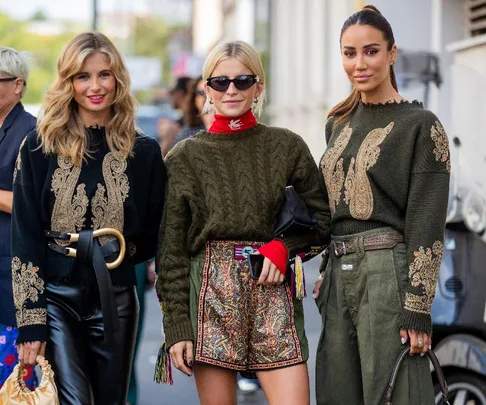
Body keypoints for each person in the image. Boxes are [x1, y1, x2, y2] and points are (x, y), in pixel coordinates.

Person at [155, 40, 330, 405]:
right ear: (207, 88)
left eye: (242, 80)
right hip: (209, 296)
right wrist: (177, 328)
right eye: (220, 82)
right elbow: (171, 254)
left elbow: (323, 220)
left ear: (258, 87)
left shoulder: (287, 145)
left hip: (273, 290)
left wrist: (285, 247)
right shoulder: (185, 157)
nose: (231, 89)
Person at [11, 32, 165, 405]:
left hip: (117, 298)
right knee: (76, 401)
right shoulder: (39, 146)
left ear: (118, 80)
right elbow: (26, 233)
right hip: (56, 296)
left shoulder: (144, 152)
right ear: (69, 82)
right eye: (83, 76)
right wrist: (31, 318)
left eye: (104, 75)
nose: (95, 86)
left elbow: (154, 229)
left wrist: (116, 252)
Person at [314, 5, 450, 405]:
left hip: (388, 273)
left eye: (371, 51)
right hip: (340, 273)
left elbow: (427, 218)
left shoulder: (421, 125)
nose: (359, 63)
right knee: (336, 393)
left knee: (395, 396)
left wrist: (417, 307)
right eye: (349, 53)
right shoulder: (337, 122)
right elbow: (333, 206)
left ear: (392, 54)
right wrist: (327, 268)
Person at [0, 47, 38, 390]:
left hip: (11, 273)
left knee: (14, 385)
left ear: (18, 85)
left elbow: (32, 206)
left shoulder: (31, 133)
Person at [174, 76, 214, 145]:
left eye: (211, 92)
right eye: (201, 93)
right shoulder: (186, 135)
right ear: (194, 99)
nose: (207, 97)